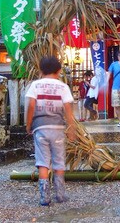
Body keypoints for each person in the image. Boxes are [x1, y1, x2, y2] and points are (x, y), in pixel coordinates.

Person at [25, 56, 76, 206]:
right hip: (58, 129)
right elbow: (68, 110)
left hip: (40, 127)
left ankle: (44, 197)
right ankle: (60, 195)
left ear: (40, 70)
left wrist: (29, 124)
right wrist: (71, 129)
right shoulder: (63, 87)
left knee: (43, 163)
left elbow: (31, 106)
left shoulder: (35, 85)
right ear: (59, 70)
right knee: (59, 161)